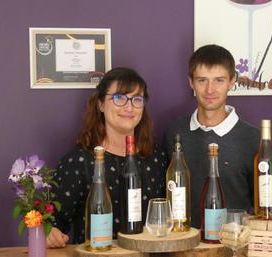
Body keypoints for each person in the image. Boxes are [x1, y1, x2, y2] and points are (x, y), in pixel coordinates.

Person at [47, 67, 167, 248]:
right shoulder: (80, 160)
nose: (129, 107)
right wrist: (48, 232)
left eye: (137, 99)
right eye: (119, 98)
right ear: (101, 104)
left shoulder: (157, 157)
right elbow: (52, 223)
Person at [163, 44, 260, 228]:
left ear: (232, 81)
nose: (210, 90)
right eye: (202, 80)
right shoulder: (174, 133)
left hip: (233, 247)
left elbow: (264, 207)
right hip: (182, 246)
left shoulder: (253, 138)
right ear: (191, 82)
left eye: (219, 80)